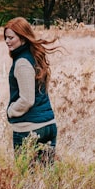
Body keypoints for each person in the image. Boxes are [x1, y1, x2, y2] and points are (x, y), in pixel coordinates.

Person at [4, 17, 59, 164]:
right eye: (6, 38)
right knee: (44, 181)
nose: (7, 41)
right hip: (48, 125)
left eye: (11, 38)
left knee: (26, 180)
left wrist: (11, 111)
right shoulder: (36, 56)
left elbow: (27, 99)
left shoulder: (22, 63)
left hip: (29, 129)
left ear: (22, 38)